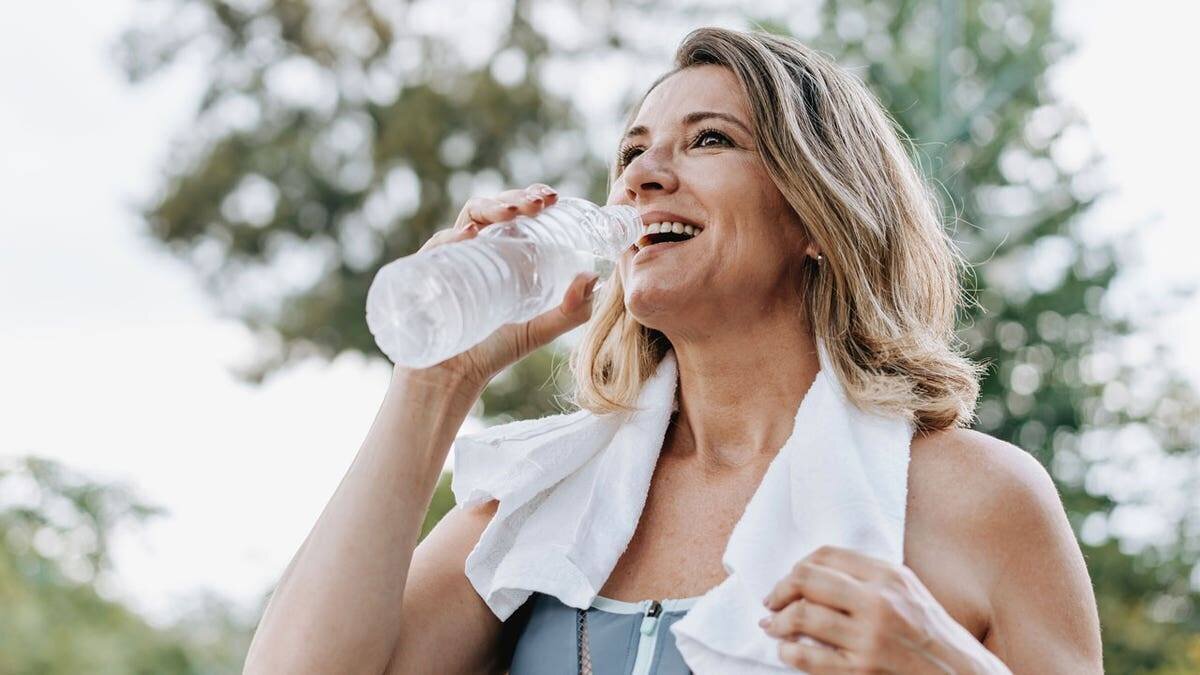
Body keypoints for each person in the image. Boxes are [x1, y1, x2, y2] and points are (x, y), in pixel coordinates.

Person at [244, 27, 1103, 674]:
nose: (643, 175)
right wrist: (432, 383)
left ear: (814, 212)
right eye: (632, 152)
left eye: (709, 140)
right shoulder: (540, 504)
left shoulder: (982, 499)